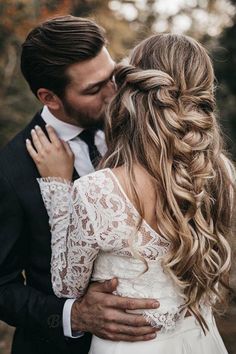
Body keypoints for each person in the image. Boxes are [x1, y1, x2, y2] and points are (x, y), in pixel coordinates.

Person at [27, 33, 235, 354]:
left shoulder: (96, 190)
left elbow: (66, 285)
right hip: (200, 340)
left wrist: (58, 188)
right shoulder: (222, 171)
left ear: (130, 92)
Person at [0, 15, 160, 354]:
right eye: (92, 89)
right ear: (50, 98)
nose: (114, 92)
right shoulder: (10, 170)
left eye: (112, 76)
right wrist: (75, 316)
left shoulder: (143, 129)